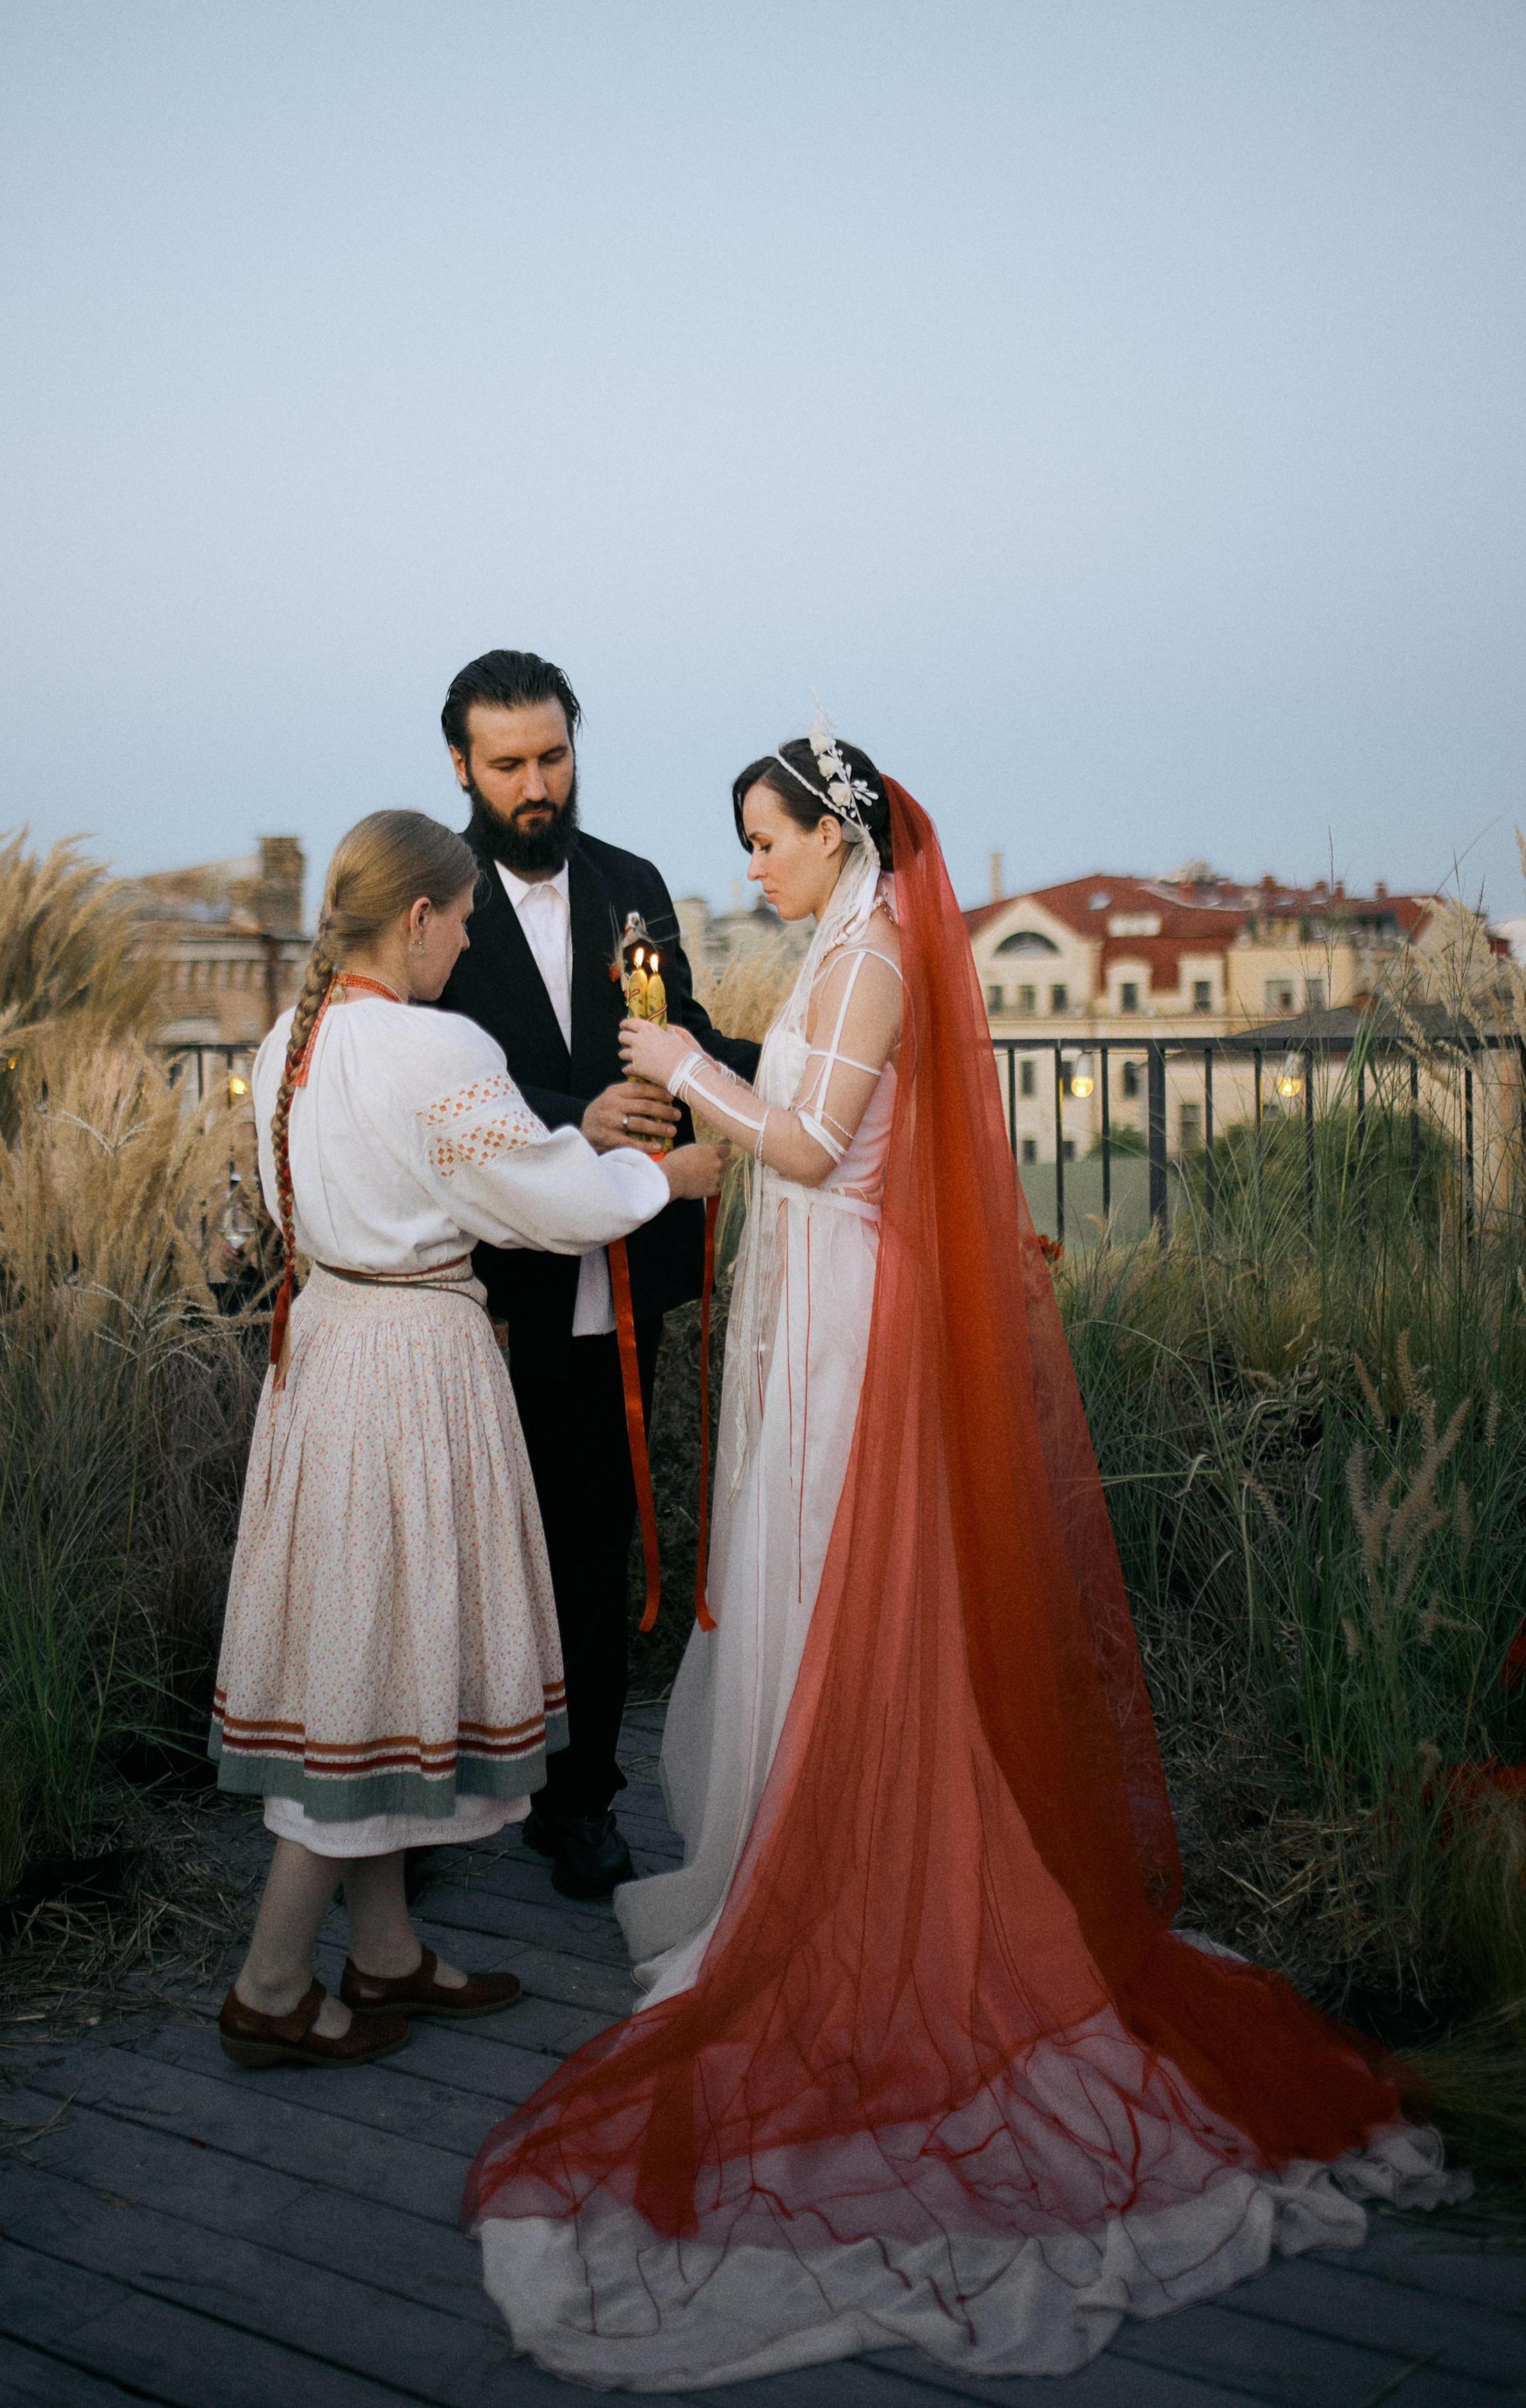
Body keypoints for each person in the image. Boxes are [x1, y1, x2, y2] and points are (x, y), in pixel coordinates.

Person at [462, 725, 1461, 2387]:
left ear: (834, 839)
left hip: (860, 1307)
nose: (752, 868)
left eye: (765, 841)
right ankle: (805, 1833)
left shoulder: (862, 964)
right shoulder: (843, 944)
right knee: (806, 1570)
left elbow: (798, 1145)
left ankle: (862, 1860)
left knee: (855, 1573)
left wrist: (678, 1058)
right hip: (826, 1293)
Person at [210, 809, 723, 2071]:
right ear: (421, 917)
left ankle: (382, 1950)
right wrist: (670, 1179)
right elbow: (544, 1202)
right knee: (376, 1662)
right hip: (408, 1372)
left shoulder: (291, 1037)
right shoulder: (436, 1045)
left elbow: (289, 1202)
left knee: (367, 1648)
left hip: (323, 1353)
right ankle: (272, 1980)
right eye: (463, 922)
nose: (469, 943)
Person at [435, 651, 760, 1900]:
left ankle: (583, 1803)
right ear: (460, 766)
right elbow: (442, 1084)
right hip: (484, 1288)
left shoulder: (632, 884)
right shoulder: (432, 895)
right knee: (468, 1547)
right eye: (508, 763)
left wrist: (794, 1075)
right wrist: (586, 1119)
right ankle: (433, 1803)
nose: (536, 784)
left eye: (553, 756)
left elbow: (682, 1038)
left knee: (598, 1535)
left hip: (620, 1279)